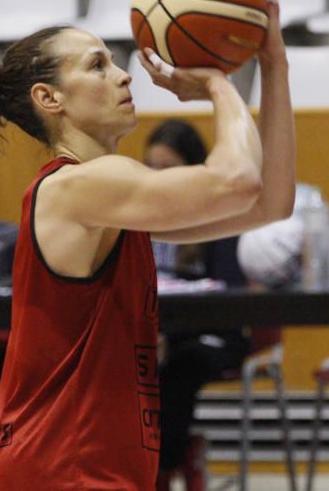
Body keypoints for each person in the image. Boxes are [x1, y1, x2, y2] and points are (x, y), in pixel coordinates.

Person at [0, 0, 294, 490]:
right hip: (60, 470)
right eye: (97, 65)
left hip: (87, 468)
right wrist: (218, 83)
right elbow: (238, 179)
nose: (124, 76)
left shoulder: (112, 201)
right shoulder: (79, 187)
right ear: (50, 98)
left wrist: (274, 62)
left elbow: (270, 201)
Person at [145, 119, 251, 491]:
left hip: (212, 334)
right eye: (151, 168)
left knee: (178, 365)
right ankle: (150, 460)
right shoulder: (142, 216)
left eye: (167, 169)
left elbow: (227, 293)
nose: (157, 178)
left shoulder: (218, 215)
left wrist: (169, 334)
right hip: (156, 333)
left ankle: (165, 464)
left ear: (192, 168)